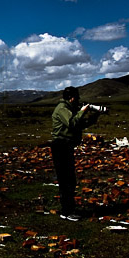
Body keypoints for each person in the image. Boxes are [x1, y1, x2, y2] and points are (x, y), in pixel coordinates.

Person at [51, 86, 101, 220]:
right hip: (60, 146)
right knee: (66, 179)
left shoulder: (68, 109)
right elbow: (72, 123)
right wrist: (83, 111)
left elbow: (79, 124)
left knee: (69, 179)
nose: (78, 101)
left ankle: (68, 209)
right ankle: (66, 212)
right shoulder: (62, 109)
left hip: (66, 146)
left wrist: (94, 116)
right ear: (72, 98)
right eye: (77, 98)